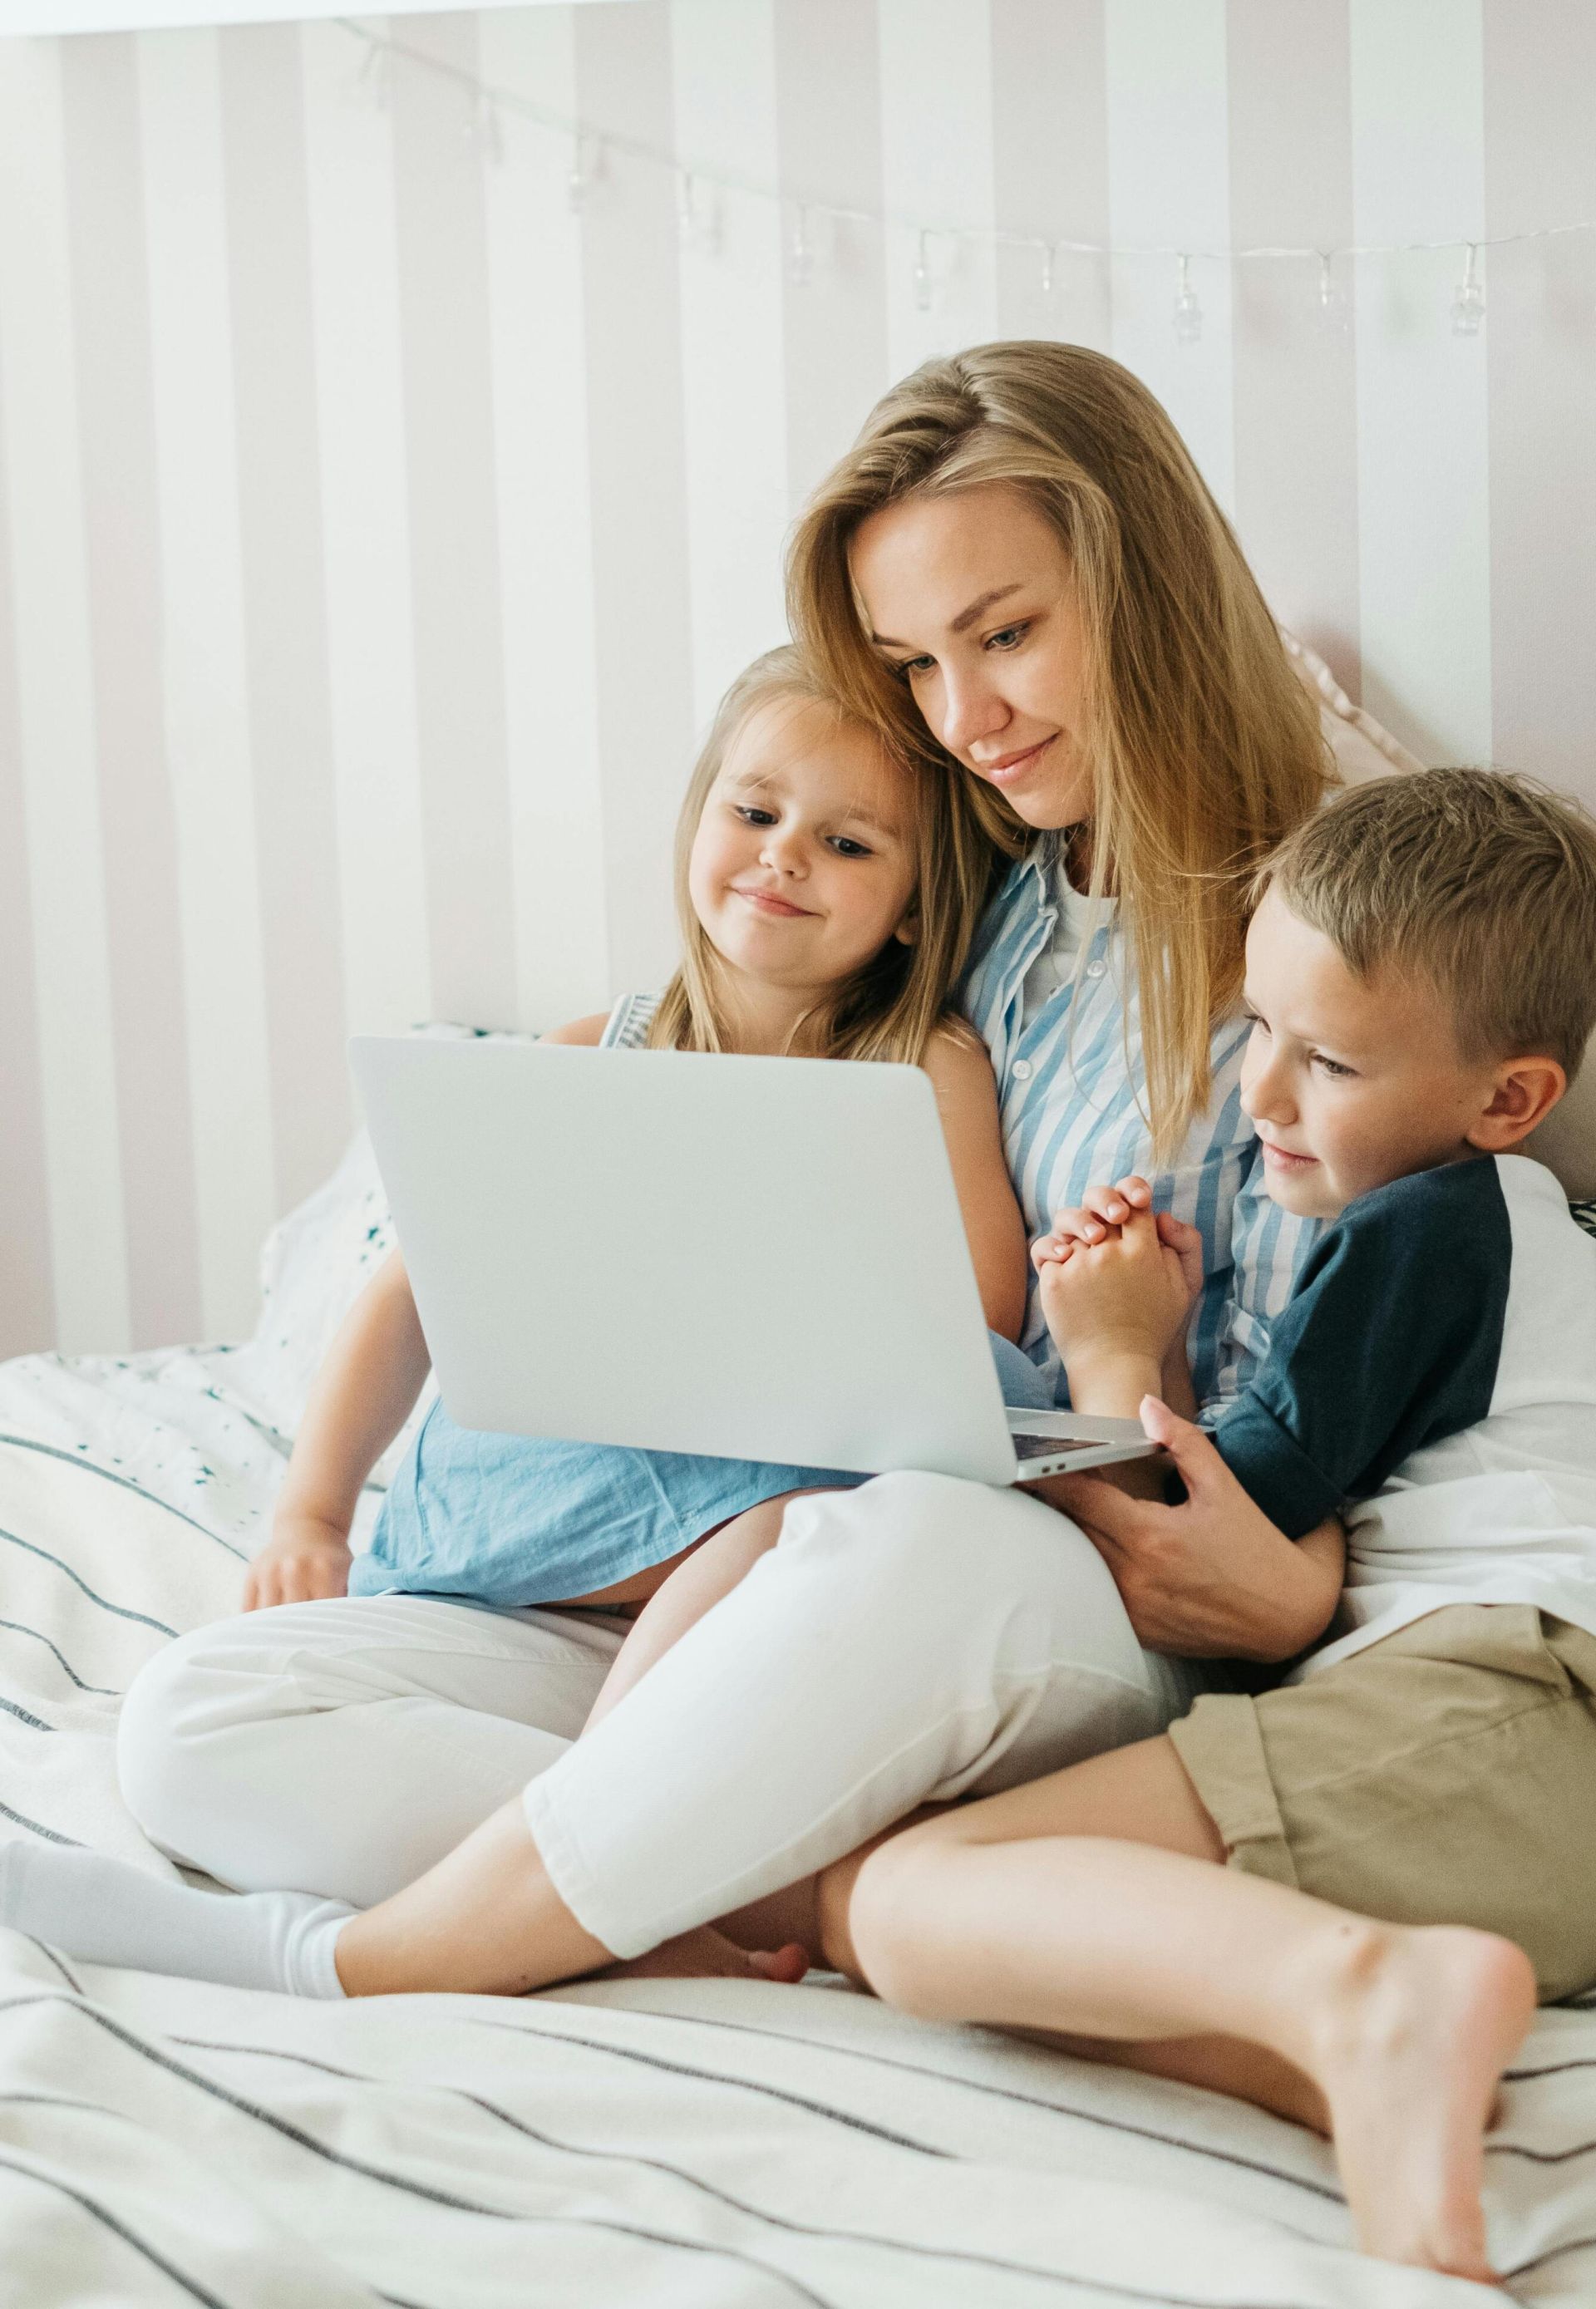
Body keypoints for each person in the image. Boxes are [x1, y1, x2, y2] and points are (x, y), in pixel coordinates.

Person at [81, 347, 1335, 1975]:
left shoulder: (1320, 931)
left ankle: (369, 1960)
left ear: (1144, 583)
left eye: (1006, 634)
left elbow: (1343, 1365)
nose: (966, 722)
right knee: (198, 1719)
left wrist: (1295, 1591)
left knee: (899, 1533)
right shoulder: (1012, 897)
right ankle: (794, 1888)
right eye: (916, 663)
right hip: (756, 1615)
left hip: (1031, 1572)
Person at [823, 766, 1596, 2283]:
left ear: (1505, 1102)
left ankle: (1374, 2006)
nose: (1257, 1098)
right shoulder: (1511, 1250)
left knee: (902, 1896)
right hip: (1512, 1755)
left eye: (1330, 1062)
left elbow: (1202, 1518)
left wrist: (1116, 1349)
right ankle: (1380, 2058)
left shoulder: (1440, 1224)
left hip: (1514, 1707)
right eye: (1258, 1029)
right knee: (996, 1940)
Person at [244, 642, 1029, 1706]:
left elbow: (977, 1319)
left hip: (751, 1560)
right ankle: (547, 1833)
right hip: (518, 1577)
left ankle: (589, 1816)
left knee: (900, 1454)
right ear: (699, 823)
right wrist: (311, 1516)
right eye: (754, 815)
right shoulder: (588, 1056)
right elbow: (416, 1293)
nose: (785, 854)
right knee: (206, 1716)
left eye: (845, 842)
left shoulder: (922, 1067)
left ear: (912, 907)